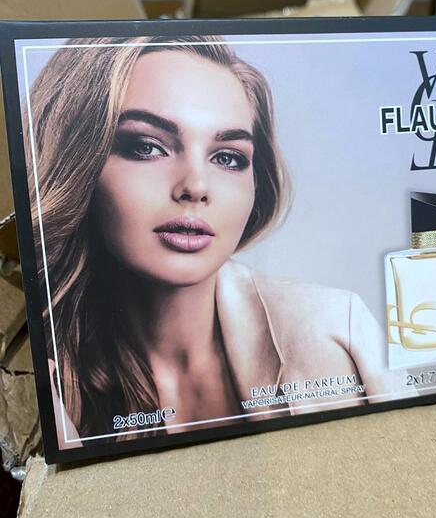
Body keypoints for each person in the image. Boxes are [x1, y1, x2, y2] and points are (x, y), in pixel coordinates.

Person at [24, 35, 399, 449]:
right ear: (75, 162)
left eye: (227, 157)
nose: (197, 186)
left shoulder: (334, 330)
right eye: (147, 147)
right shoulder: (30, 369)